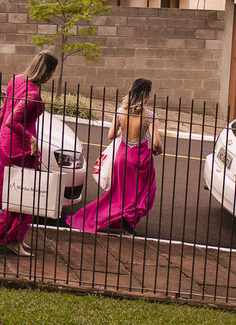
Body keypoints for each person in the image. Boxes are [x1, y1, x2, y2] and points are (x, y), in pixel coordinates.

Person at [66, 78, 163, 235]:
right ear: (146, 96)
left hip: (122, 157)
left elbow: (111, 135)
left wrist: (121, 132)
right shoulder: (150, 116)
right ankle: (128, 222)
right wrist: (159, 150)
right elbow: (156, 143)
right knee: (140, 192)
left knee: (119, 194)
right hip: (141, 159)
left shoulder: (120, 112)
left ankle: (118, 220)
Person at [0, 49, 58, 256]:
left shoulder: (16, 80)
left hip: (4, 143)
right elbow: (13, 120)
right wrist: (31, 139)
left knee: (12, 193)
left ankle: (12, 236)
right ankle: (12, 239)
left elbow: (4, 110)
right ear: (47, 73)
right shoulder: (33, 93)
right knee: (25, 197)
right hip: (20, 148)